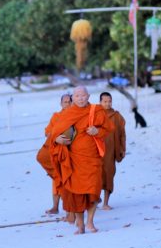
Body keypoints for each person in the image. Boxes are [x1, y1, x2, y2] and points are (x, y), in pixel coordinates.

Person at [44, 86, 113, 234]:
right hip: (73, 159)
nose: (81, 98)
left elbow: (109, 128)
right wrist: (58, 140)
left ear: (88, 96)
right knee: (76, 194)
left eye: (83, 95)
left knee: (94, 190)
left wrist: (97, 131)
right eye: (77, 96)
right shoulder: (68, 114)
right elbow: (54, 134)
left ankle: (90, 222)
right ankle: (80, 225)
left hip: (92, 158)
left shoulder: (97, 110)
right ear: (73, 98)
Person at [37, 93, 72, 215]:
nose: (67, 104)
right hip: (53, 149)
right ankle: (55, 207)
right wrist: (55, 135)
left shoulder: (74, 116)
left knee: (64, 177)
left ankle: (67, 208)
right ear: (61, 104)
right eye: (65, 102)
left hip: (68, 151)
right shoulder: (56, 116)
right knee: (57, 177)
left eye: (69, 102)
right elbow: (47, 132)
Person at [98, 92, 127, 210]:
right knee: (96, 176)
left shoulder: (117, 116)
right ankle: (94, 199)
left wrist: (122, 148)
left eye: (109, 101)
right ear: (100, 102)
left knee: (109, 175)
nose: (107, 104)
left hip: (110, 152)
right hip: (97, 151)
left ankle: (105, 203)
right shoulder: (95, 114)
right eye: (105, 101)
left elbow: (122, 134)